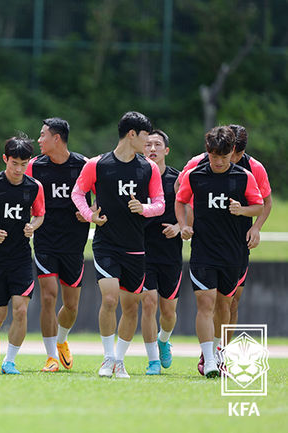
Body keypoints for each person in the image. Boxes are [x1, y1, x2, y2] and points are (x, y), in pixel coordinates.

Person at [72, 111, 164, 379]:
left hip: (135, 246)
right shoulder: (97, 164)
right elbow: (78, 192)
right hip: (106, 244)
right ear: (132, 134)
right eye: (146, 136)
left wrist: (144, 208)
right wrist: (91, 217)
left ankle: (120, 361)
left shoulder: (149, 168)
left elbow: (160, 204)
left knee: (131, 306)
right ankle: (107, 358)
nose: (149, 144)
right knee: (110, 298)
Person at [175, 124, 272, 374]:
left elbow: (260, 205)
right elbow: (180, 198)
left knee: (226, 305)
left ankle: (220, 354)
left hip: (233, 250)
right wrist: (185, 224)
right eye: (213, 156)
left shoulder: (246, 175)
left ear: (234, 153)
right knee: (206, 304)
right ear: (207, 152)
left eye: (224, 157)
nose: (218, 162)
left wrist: (246, 214)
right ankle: (208, 361)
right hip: (203, 250)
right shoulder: (195, 172)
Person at [0, 136, 45, 375]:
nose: (18, 169)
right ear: (5, 159)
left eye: (23, 164)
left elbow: (39, 214)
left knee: (21, 310)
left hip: (21, 257)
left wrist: (33, 226)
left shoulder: (34, 187)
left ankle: (10, 361)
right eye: (14, 163)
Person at [26, 117, 89, 372]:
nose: (38, 140)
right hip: (45, 240)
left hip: (74, 243)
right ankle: (51, 356)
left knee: (71, 305)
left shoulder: (84, 165)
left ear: (57, 138)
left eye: (43, 135)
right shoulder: (34, 166)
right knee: (49, 296)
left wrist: (88, 210)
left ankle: (62, 340)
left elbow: (100, 198)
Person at [140, 129, 182, 375]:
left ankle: (163, 340)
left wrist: (179, 227)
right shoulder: (136, 177)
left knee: (168, 312)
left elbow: (191, 210)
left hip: (170, 253)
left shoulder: (177, 180)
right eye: (148, 145)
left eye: (157, 144)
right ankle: (153, 360)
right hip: (143, 252)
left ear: (166, 150)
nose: (152, 149)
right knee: (148, 303)